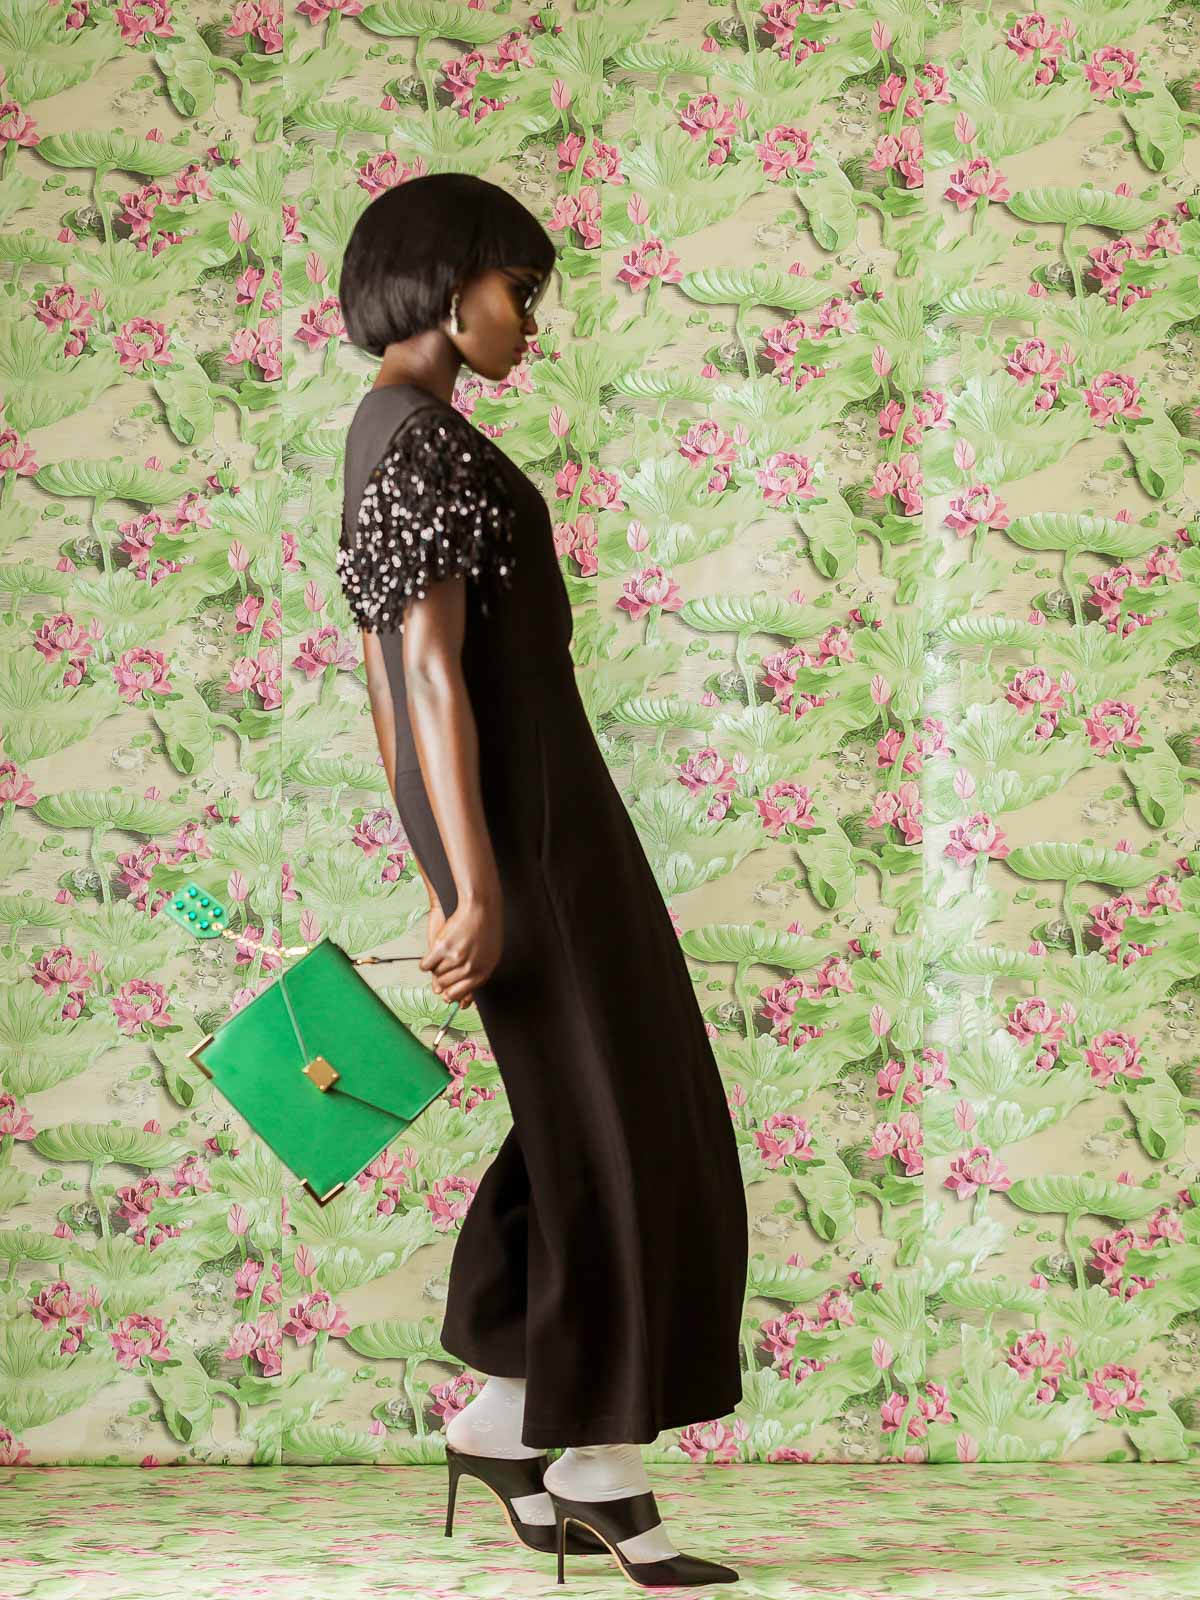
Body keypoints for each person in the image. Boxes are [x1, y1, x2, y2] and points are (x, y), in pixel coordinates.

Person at [337, 172, 747, 1589]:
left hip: (526, 826)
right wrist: (474, 883)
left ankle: (509, 1418)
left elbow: (389, 686)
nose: (530, 320)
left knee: (597, 1118)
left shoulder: (395, 434)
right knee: (636, 1129)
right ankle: (598, 1467)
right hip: (535, 832)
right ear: (448, 284)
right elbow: (424, 672)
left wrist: (445, 864)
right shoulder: (419, 441)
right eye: (520, 290)